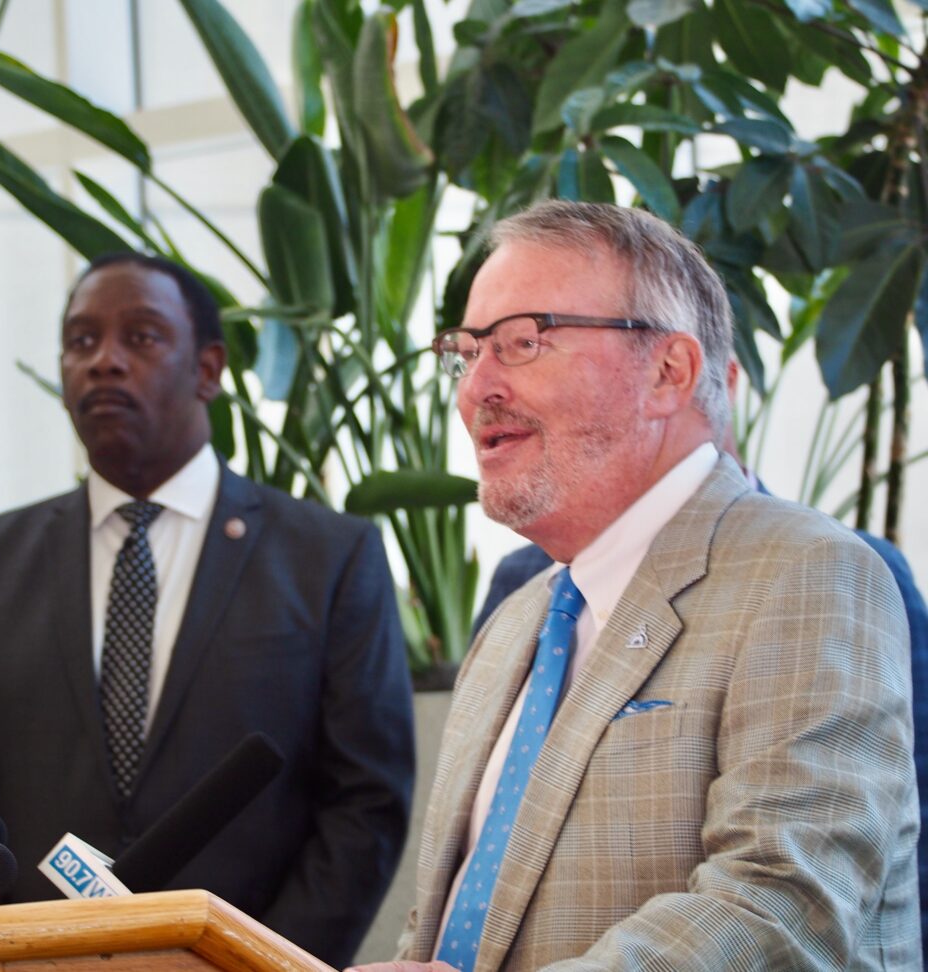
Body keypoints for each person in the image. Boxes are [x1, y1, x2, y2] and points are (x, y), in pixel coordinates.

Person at [358, 201, 919, 971]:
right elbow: (450, 921)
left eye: (522, 341)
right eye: (464, 351)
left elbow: (780, 911)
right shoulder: (514, 624)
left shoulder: (807, 572)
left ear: (668, 372)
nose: (475, 386)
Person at [0, 252, 415, 966]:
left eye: (140, 337)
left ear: (207, 370)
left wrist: (258, 965)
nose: (103, 361)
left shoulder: (328, 557)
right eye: (81, 342)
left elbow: (365, 806)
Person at [470, 364, 928, 961]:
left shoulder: (834, 564)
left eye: (532, 346)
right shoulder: (525, 586)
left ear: (709, 378)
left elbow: (878, 834)